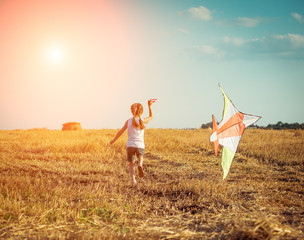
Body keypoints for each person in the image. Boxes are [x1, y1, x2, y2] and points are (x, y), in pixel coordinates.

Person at [110, 100, 155, 185]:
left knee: (131, 164)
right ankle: (140, 164)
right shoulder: (142, 120)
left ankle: (133, 180)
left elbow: (120, 132)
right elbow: (151, 116)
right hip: (140, 145)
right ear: (141, 112)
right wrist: (150, 106)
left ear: (131, 111)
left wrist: (113, 140)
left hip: (130, 145)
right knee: (140, 156)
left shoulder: (128, 121)